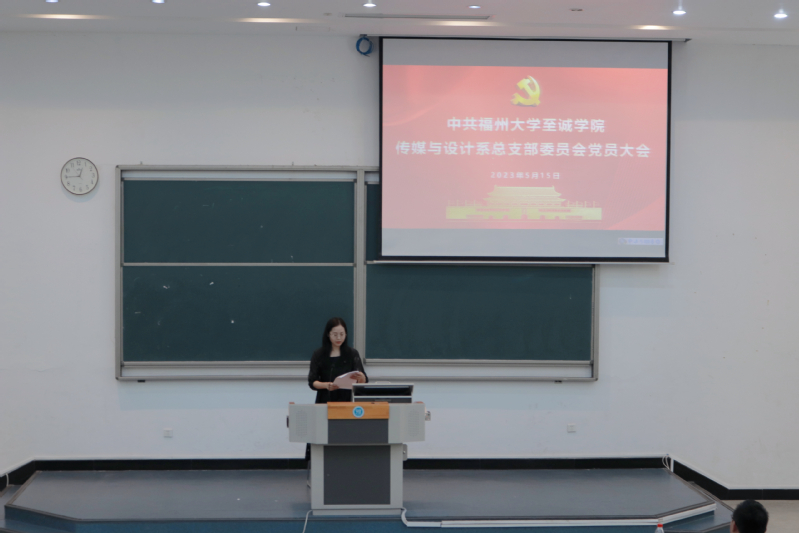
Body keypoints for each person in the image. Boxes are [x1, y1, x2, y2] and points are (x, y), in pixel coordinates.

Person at [305, 317, 367, 463]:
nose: (339, 338)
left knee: (345, 437)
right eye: (335, 334)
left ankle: (345, 465)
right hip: (325, 401)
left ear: (346, 334)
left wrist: (362, 377)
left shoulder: (352, 354)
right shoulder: (319, 354)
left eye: (342, 334)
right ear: (328, 334)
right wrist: (326, 385)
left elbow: (363, 381)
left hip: (346, 401)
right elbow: (312, 381)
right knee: (323, 436)